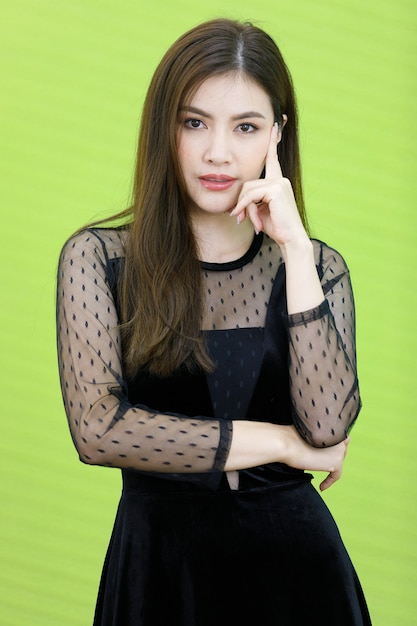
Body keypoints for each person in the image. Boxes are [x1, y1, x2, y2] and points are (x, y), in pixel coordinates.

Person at [56, 18, 371, 626]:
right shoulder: (97, 258)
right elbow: (98, 431)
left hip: (300, 580)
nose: (217, 152)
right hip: (159, 574)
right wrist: (279, 443)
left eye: (246, 127)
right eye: (194, 122)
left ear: (277, 136)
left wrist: (297, 249)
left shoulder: (319, 265)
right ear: (163, 130)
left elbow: (328, 430)